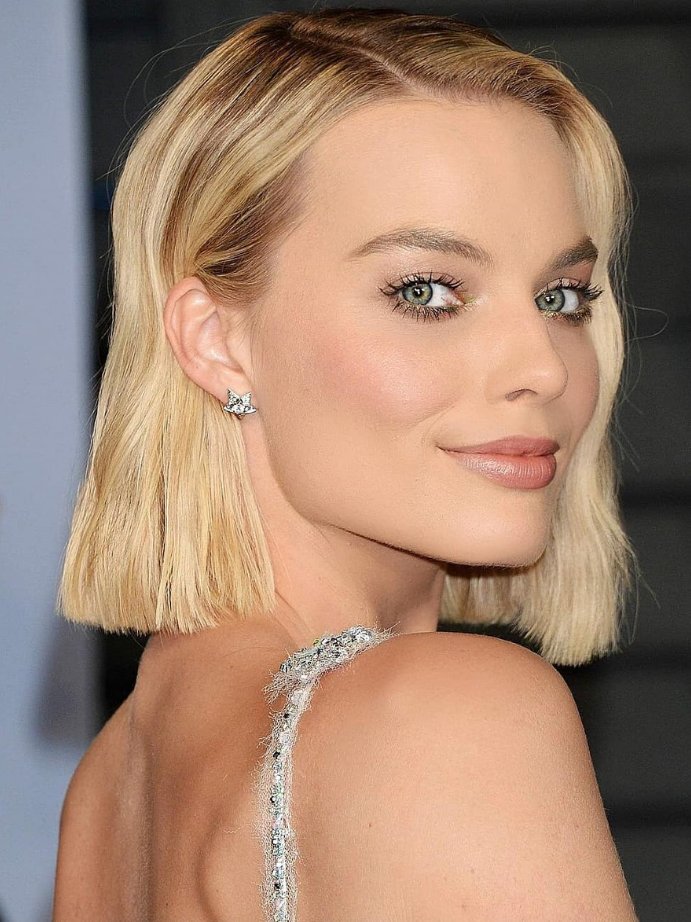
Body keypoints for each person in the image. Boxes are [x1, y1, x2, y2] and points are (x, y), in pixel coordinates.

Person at [52, 7, 640, 920]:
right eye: (427, 291)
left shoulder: (111, 785)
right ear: (216, 340)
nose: (544, 367)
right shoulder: (450, 715)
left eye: (560, 297)